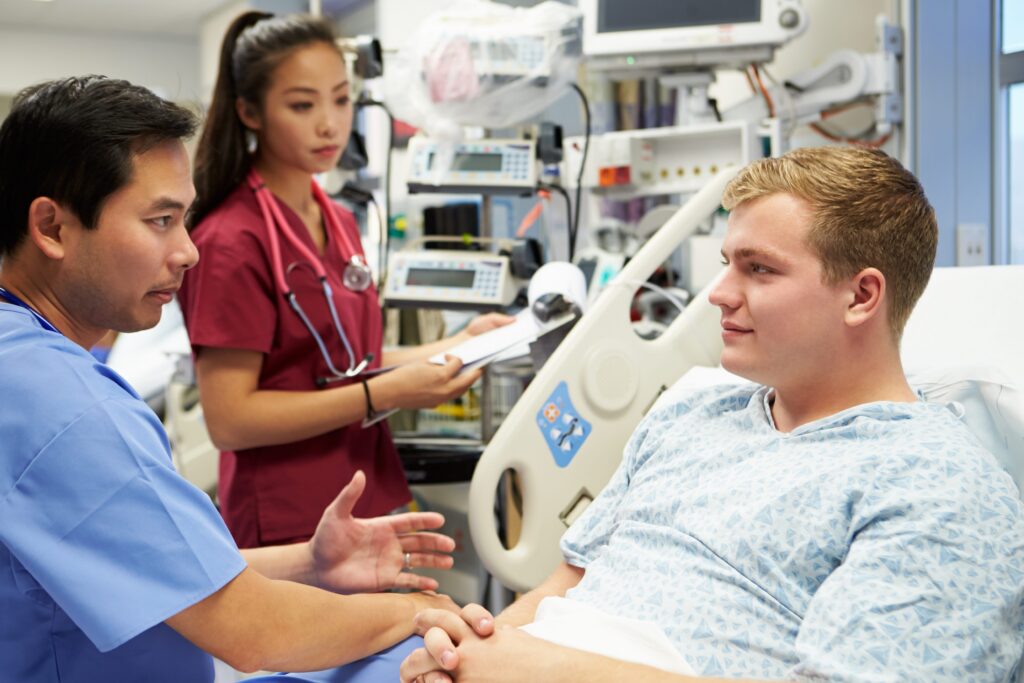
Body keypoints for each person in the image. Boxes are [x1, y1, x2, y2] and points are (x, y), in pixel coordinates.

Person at [399, 147, 1024, 682]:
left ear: (861, 296)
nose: (720, 293)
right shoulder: (690, 417)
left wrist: (540, 668)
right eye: (728, 262)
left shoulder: (937, 486)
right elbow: (565, 582)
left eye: (759, 269)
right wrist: (470, 650)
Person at [0, 75, 459, 682]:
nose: (188, 252)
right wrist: (415, 613)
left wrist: (310, 564)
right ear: (52, 228)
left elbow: (144, 569)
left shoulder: (21, 362)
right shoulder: (65, 404)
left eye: (184, 219)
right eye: (160, 220)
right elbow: (255, 631)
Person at [180, 11, 511, 549]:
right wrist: (380, 393)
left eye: (341, 99)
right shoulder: (230, 240)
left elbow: (348, 366)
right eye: (302, 105)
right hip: (290, 524)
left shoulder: (332, 216)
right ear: (250, 112)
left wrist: (462, 343)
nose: (331, 124)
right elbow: (231, 419)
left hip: (365, 495)